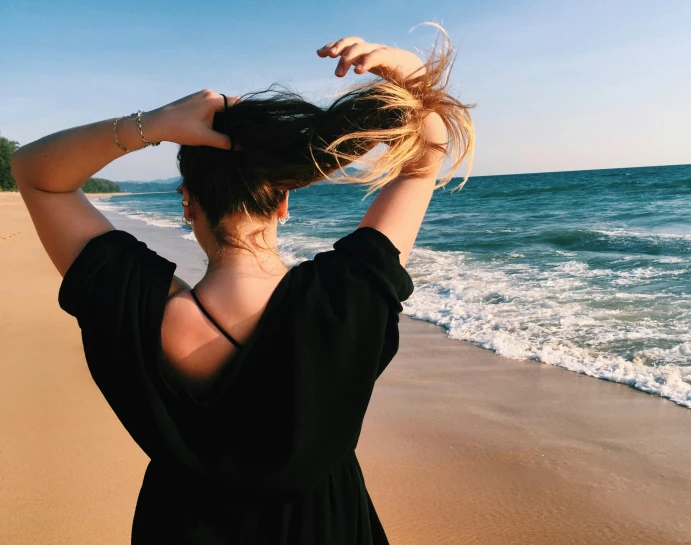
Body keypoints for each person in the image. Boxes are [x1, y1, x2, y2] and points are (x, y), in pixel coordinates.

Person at [11, 23, 474, 545]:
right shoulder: (350, 295)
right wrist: (407, 72)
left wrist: (153, 125)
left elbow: (34, 171)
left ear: (188, 203)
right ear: (282, 201)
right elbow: (425, 158)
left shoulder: (132, 305)